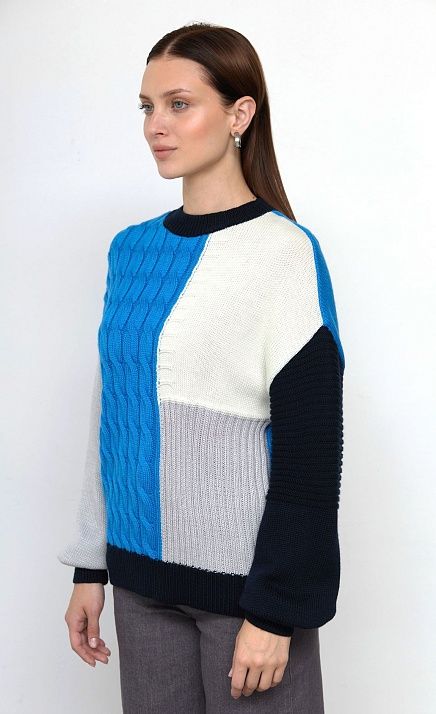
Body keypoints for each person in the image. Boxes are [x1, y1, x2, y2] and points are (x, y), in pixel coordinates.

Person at [58, 22, 345, 713]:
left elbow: (310, 450)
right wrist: (91, 563)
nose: (155, 125)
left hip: (246, 599)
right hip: (139, 588)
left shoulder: (285, 255)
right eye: (147, 106)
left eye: (179, 104)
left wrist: (276, 610)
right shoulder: (130, 251)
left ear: (239, 114)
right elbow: (114, 409)